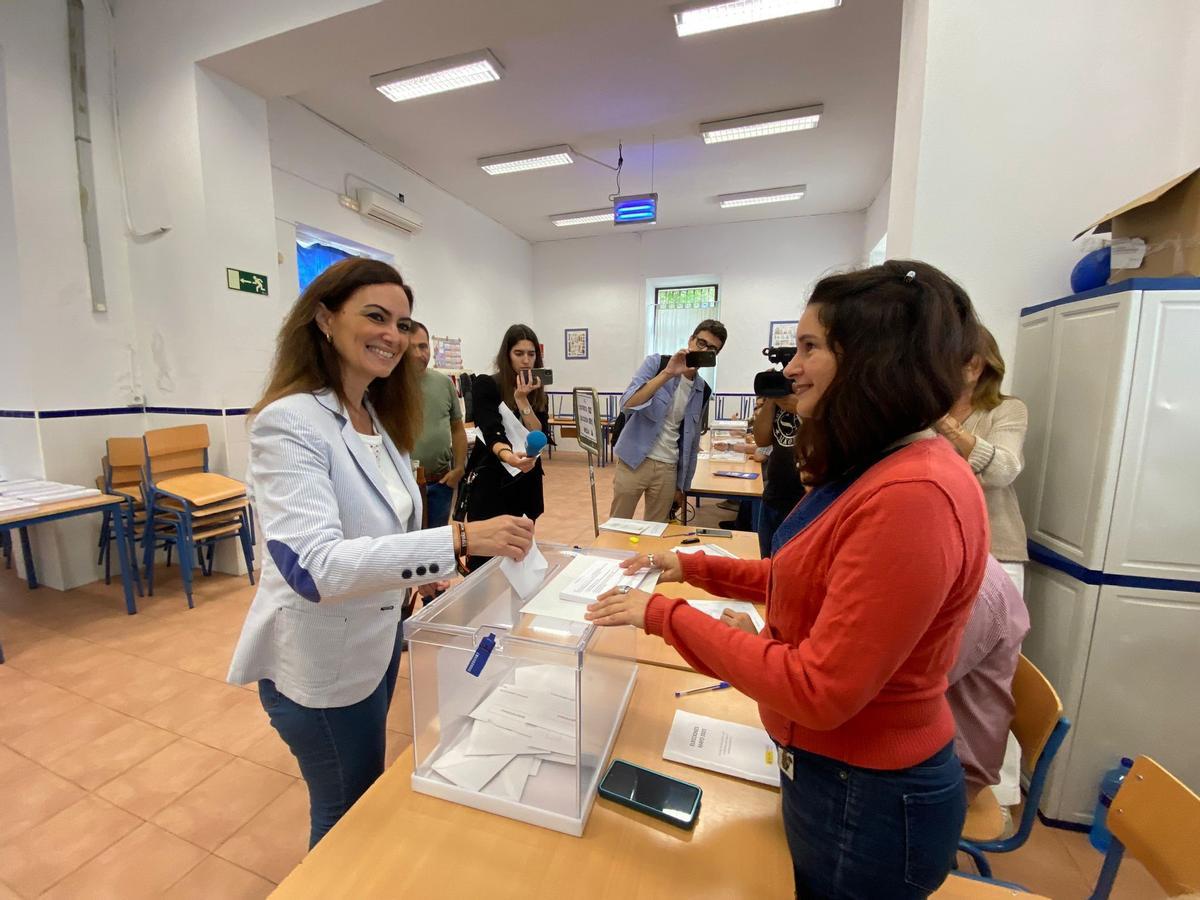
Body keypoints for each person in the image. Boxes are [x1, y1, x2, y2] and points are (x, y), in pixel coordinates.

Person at [587, 261, 988, 899]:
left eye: (810, 348)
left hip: (867, 798)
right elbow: (799, 575)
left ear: (870, 361)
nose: (791, 368)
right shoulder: (891, 466)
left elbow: (818, 688)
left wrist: (664, 616)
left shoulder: (914, 494)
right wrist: (689, 564)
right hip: (839, 777)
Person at [227, 258, 534, 848]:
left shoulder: (374, 417)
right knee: (347, 816)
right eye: (375, 316)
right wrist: (458, 540)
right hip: (322, 668)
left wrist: (426, 580)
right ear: (324, 318)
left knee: (363, 803)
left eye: (402, 321)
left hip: (376, 645)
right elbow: (314, 567)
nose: (392, 335)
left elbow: (384, 535)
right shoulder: (288, 423)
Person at [934, 326, 1029, 593]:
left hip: (995, 552)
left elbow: (1003, 470)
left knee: (998, 634)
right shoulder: (920, 412)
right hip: (938, 550)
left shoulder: (1007, 409)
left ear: (975, 365)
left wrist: (944, 423)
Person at [610, 320, 726, 522]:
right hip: (634, 459)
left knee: (657, 530)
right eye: (701, 343)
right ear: (690, 340)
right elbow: (627, 404)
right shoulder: (656, 364)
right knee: (618, 524)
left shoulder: (703, 390)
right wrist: (668, 374)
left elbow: (691, 441)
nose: (704, 349)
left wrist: (683, 485)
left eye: (712, 349)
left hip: (668, 468)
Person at [461, 324, 549, 569]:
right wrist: (511, 458)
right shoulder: (487, 385)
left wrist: (522, 400)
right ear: (507, 354)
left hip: (526, 477)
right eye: (518, 353)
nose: (525, 360)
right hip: (494, 478)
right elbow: (491, 430)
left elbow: (539, 431)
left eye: (531, 354)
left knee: (519, 551)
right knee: (487, 554)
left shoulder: (536, 389)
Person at [947, 554, 1030, 804]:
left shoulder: (976, 591)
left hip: (955, 767)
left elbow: (913, 687)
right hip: (936, 747)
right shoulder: (962, 563)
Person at [409, 319, 467, 529]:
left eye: (423, 346)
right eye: (410, 347)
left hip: (441, 482)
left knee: (438, 548)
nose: (418, 354)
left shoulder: (444, 383)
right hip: (404, 487)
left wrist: (459, 469)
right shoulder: (386, 387)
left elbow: (457, 429)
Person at [752, 392, 804, 557]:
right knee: (767, 560)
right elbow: (761, 440)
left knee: (792, 564)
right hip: (773, 495)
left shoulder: (821, 398)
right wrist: (771, 398)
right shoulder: (779, 400)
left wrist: (803, 409)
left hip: (803, 500)